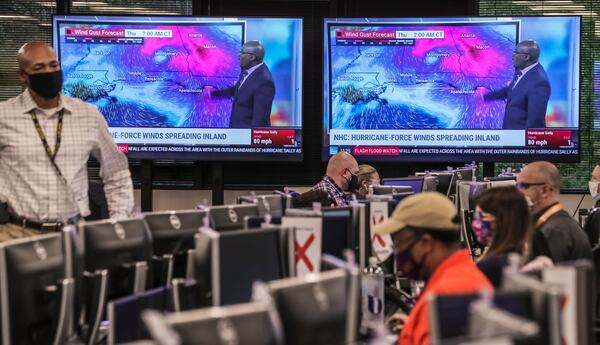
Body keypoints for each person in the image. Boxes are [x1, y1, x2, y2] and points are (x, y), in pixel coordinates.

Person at [0, 42, 134, 241]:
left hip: (72, 234)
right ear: (23, 75)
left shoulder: (88, 114)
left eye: (53, 65)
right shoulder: (4, 115)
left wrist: (118, 225)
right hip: (17, 234)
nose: (49, 72)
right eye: (39, 68)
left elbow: (117, 173)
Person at [375, 192, 492, 345]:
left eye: (399, 244)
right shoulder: (461, 276)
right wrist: (413, 325)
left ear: (425, 243)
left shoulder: (444, 296)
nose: (396, 252)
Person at [517, 161, 592, 263]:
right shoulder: (554, 223)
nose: (518, 192)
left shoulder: (554, 231)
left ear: (544, 190)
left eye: (523, 186)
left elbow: (543, 277)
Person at [203, 40, 275, 128]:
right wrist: (213, 94)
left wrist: (251, 140)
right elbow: (238, 89)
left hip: (246, 138)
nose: (238, 56)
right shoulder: (247, 70)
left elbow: (260, 121)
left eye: (242, 53)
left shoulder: (264, 82)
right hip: (237, 134)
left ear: (252, 57)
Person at [472, 186, 533, 287]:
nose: (475, 222)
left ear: (501, 219)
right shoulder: (521, 257)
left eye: (481, 216)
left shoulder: (491, 266)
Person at [483, 40, 551, 129]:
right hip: (510, 135)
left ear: (526, 57)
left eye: (516, 52)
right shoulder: (522, 70)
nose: (512, 56)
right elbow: (512, 90)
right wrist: (485, 97)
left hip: (519, 139)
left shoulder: (539, 83)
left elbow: (535, 122)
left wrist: (523, 141)